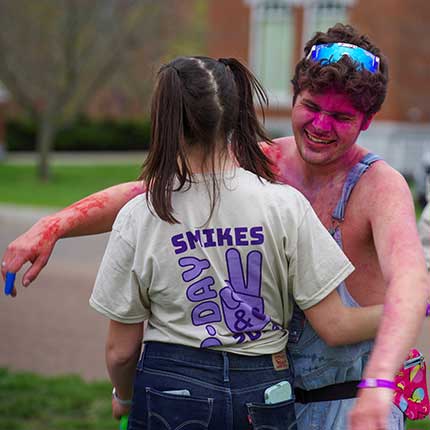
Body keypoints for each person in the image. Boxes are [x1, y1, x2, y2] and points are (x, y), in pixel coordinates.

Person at [2, 24, 428, 429]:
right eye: (312, 107)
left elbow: (409, 281)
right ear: (295, 95)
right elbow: (147, 193)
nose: (320, 126)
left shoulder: (379, 185)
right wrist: (54, 225)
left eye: (341, 117)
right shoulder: (265, 162)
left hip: (351, 403)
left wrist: (378, 382)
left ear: (367, 121)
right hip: (276, 401)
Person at [88, 55, 381, 429]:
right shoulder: (284, 204)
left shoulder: (140, 214)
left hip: (170, 390)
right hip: (264, 392)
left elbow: (121, 350)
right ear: (234, 112)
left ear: (165, 119)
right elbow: (336, 325)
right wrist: (411, 305)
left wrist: (123, 396)